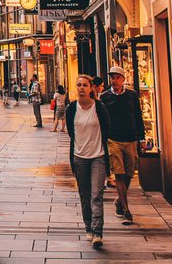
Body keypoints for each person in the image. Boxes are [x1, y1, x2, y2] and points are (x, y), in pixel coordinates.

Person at [66, 75, 110, 248]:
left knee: (96, 195)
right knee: (85, 195)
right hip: (79, 157)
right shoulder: (71, 109)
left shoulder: (100, 108)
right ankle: (88, 228)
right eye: (79, 85)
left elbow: (106, 128)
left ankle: (97, 232)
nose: (82, 88)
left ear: (91, 88)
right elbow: (71, 132)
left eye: (85, 85)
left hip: (98, 156)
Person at [100, 66, 145, 226]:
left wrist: (142, 138)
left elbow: (138, 116)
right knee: (119, 174)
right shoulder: (104, 97)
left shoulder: (132, 95)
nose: (114, 80)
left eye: (117, 77)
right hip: (113, 139)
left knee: (129, 173)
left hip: (131, 139)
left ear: (123, 79)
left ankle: (119, 200)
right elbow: (102, 120)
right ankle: (126, 211)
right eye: (112, 77)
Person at [92, 76, 115, 188]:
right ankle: (107, 178)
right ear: (95, 86)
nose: (102, 88)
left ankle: (106, 178)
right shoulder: (96, 100)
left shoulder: (99, 98)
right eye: (100, 86)